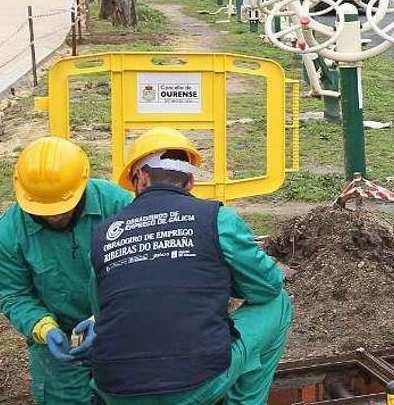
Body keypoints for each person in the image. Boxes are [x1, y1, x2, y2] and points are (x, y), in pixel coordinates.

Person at [73, 127, 292, 405]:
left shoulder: (104, 233)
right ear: (189, 182)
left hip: (116, 391)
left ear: (140, 178)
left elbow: (101, 312)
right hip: (195, 384)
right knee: (278, 303)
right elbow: (267, 286)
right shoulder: (216, 219)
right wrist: (223, 279)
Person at [0, 137, 133, 404]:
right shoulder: (7, 233)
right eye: (45, 210)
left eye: (62, 207)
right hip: (60, 335)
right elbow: (15, 295)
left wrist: (100, 320)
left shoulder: (119, 206)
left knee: (137, 390)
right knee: (62, 397)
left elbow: (142, 274)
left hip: (124, 322)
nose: (55, 216)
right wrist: (43, 328)